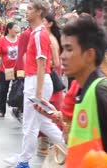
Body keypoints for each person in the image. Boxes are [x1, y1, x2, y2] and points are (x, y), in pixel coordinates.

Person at [36, 15, 107, 167]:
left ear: (89, 55)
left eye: (69, 49)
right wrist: (58, 117)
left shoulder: (101, 91)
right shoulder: (85, 89)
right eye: (63, 49)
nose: (62, 56)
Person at [4, 0, 64, 168]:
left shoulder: (38, 34)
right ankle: (24, 157)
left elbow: (42, 62)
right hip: (36, 80)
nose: (27, 11)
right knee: (42, 122)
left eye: (30, 8)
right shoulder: (38, 32)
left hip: (37, 81)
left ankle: (23, 161)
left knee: (31, 123)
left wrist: (38, 94)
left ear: (39, 12)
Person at [37, 13, 64, 156]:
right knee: (46, 110)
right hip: (50, 76)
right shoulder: (46, 37)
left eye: (44, 21)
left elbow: (56, 62)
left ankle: (53, 143)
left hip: (51, 77)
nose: (41, 23)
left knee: (49, 110)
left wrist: (43, 64)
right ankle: (47, 144)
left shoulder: (51, 39)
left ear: (50, 24)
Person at [0, 22, 19, 118]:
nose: (17, 29)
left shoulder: (19, 39)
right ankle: (1, 110)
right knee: (3, 90)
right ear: (9, 29)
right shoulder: (2, 41)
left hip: (17, 69)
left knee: (18, 89)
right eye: (15, 27)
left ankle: (17, 108)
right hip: (5, 69)